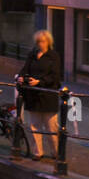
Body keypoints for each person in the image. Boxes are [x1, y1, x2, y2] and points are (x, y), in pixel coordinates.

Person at [18, 30, 61, 160]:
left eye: (42, 41)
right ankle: (38, 152)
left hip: (47, 95)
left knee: (51, 127)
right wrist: (21, 77)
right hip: (33, 96)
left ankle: (56, 152)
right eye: (38, 42)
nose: (40, 44)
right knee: (34, 125)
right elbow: (25, 68)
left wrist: (40, 82)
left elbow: (55, 76)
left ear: (48, 42)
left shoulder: (53, 56)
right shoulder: (32, 55)